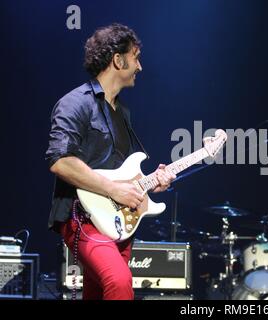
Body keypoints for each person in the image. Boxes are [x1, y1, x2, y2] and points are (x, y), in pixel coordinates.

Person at [45, 23, 176, 300]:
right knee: (119, 281)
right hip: (83, 217)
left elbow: (120, 174)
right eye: (136, 57)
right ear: (118, 59)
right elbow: (60, 161)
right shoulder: (75, 103)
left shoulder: (123, 114)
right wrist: (114, 189)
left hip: (119, 222)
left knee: (100, 292)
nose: (140, 66)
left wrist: (149, 182)